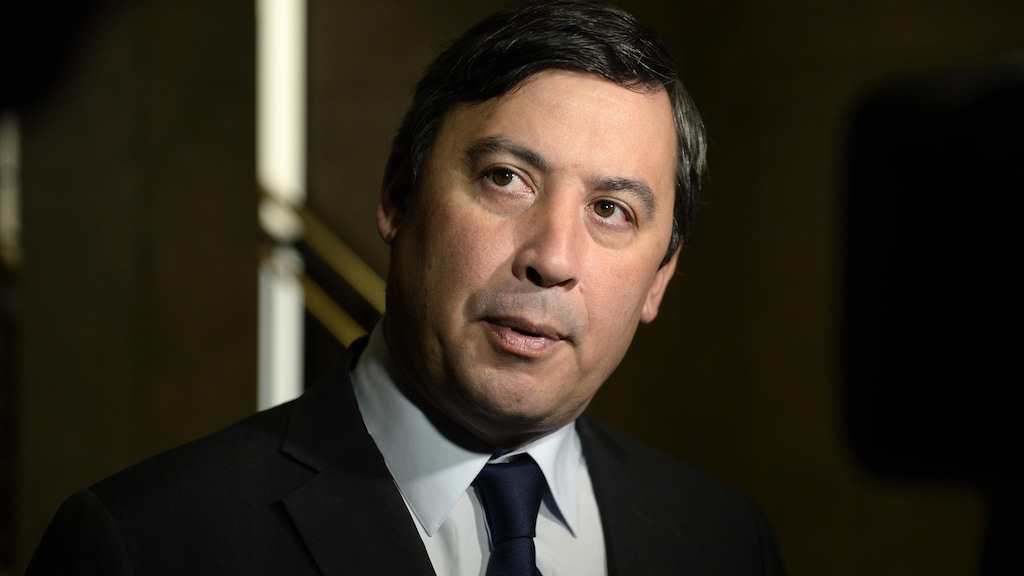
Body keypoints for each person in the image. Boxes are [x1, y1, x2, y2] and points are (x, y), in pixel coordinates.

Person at [27, 1, 785, 574]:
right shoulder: (144, 544)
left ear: (659, 280)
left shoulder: (725, 542)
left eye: (611, 210)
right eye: (506, 178)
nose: (552, 258)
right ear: (397, 195)